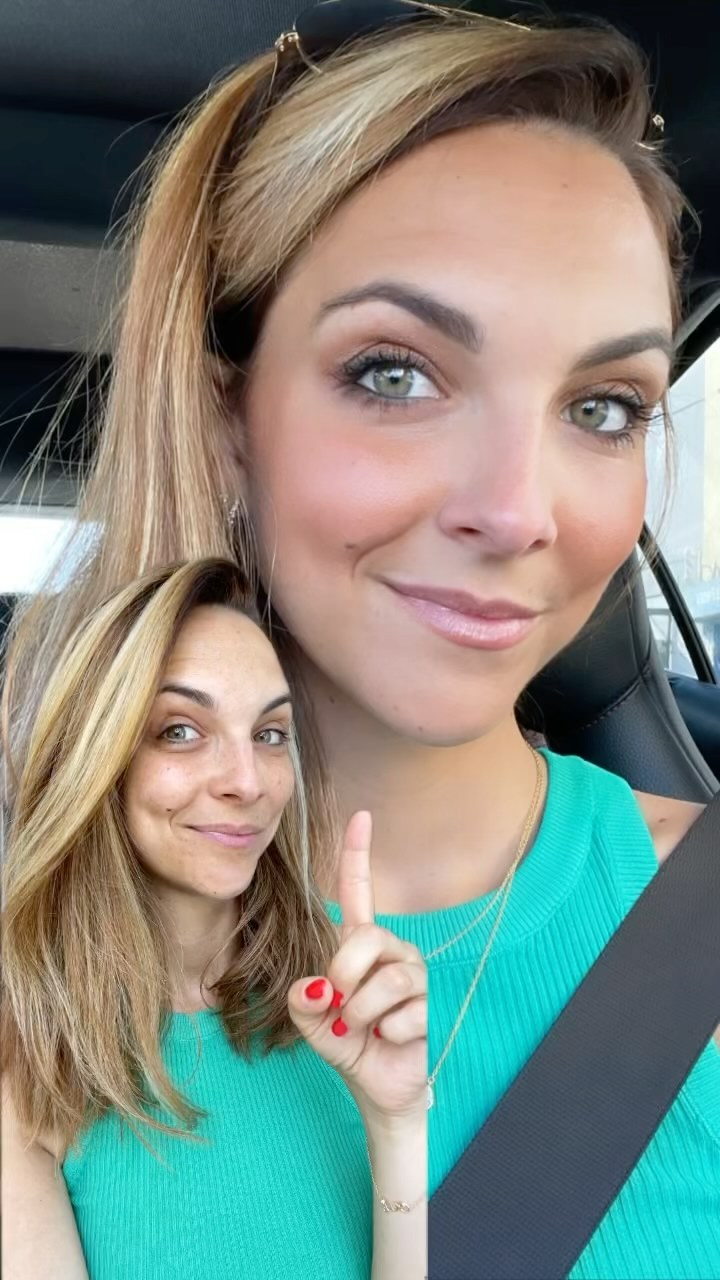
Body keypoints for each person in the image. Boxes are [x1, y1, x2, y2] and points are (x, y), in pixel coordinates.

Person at [3, 1, 719, 1276]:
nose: (519, 510)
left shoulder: (697, 918)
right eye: (395, 372)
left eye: (606, 406)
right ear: (228, 423)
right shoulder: (43, 982)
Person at [1, 558, 427, 1280]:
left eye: (269, 734)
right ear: (95, 758)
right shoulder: (26, 1062)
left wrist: (398, 1122)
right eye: (180, 731)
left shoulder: (356, 991)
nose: (247, 781)